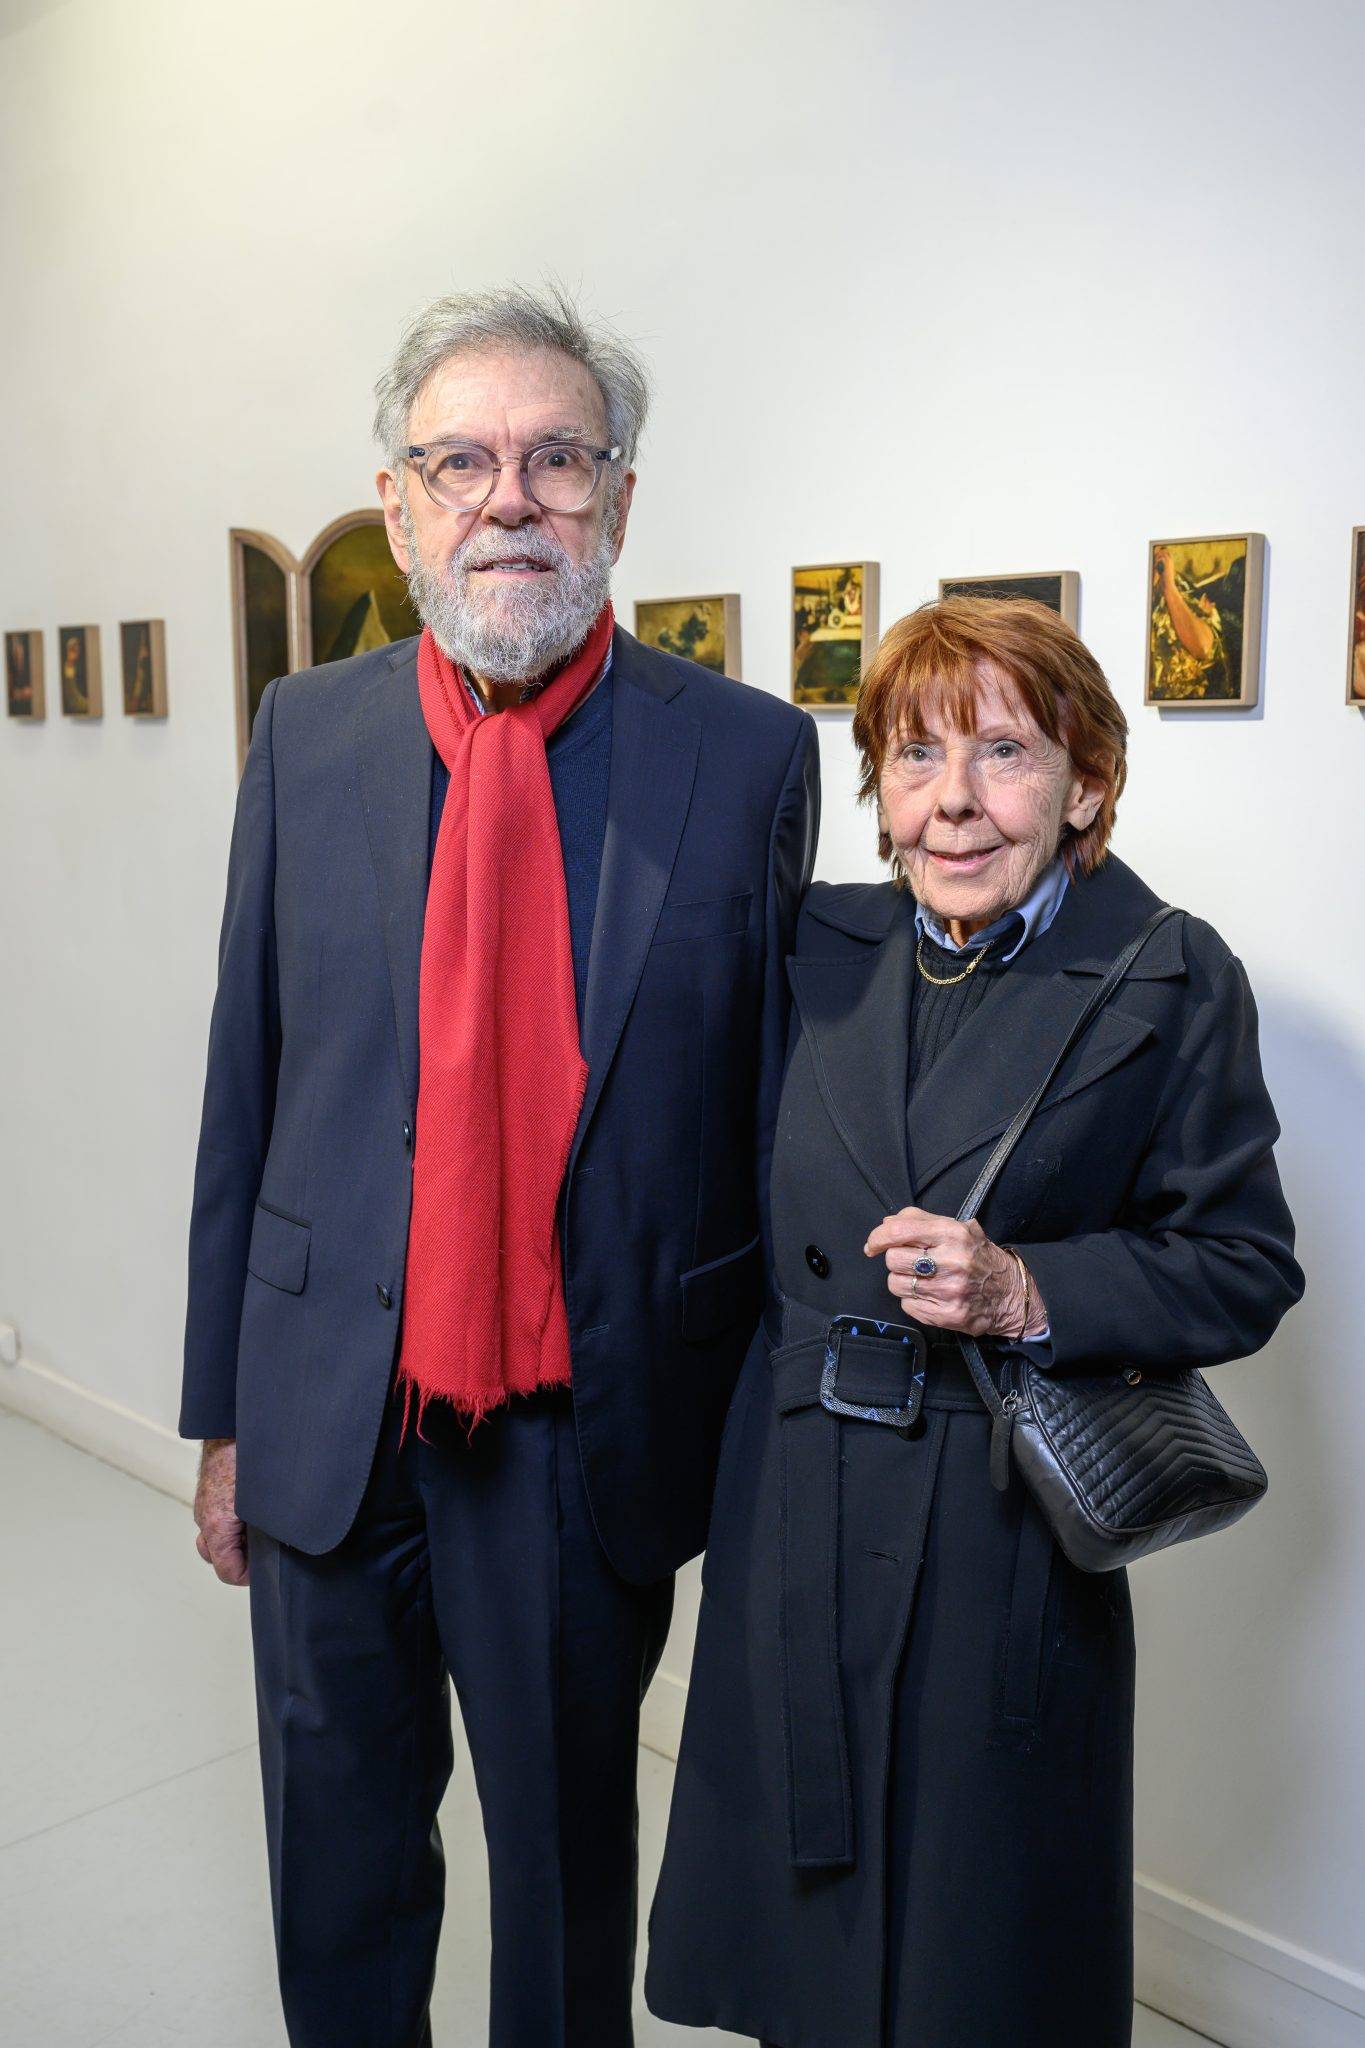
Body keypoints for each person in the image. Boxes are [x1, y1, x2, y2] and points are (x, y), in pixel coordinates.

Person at [181, 284, 819, 2048]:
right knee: (340, 1859)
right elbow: (252, 1082)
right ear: (398, 508)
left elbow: (769, 1114)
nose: (508, 498)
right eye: (461, 460)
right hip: (328, 1408)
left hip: (578, 1422)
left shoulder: (744, 753)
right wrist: (222, 1414)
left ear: (619, 500)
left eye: (554, 458)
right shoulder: (306, 738)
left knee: (559, 1880)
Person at [646, 596, 1303, 2048]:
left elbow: (1241, 1263)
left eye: (1002, 752)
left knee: (970, 1946)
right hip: (794, 1499)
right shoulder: (813, 946)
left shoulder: (1167, 975)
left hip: (995, 1525)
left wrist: (1026, 1288)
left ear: (1085, 782)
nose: (951, 802)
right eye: (912, 753)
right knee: (799, 1942)